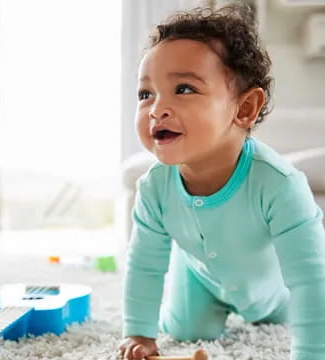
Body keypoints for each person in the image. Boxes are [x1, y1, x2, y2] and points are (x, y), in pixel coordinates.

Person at [118, 4, 325, 360]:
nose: (156, 109)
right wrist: (138, 332)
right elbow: (145, 263)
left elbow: (309, 278)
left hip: (275, 288)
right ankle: (196, 310)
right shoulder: (154, 186)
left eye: (183, 89)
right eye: (145, 94)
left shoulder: (279, 184)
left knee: (289, 316)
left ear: (244, 110)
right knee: (185, 330)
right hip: (199, 277)